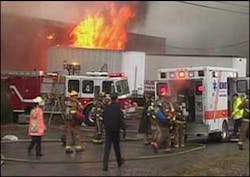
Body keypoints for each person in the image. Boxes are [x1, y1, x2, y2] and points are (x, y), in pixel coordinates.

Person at [102, 93, 126, 171]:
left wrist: (106, 126)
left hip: (108, 129)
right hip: (116, 130)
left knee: (107, 147)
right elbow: (120, 119)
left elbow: (104, 118)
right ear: (116, 99)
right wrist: (124, 129)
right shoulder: (118, 108)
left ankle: (105, 165)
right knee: (117, 147)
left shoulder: (107, 107)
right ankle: (119, 162)